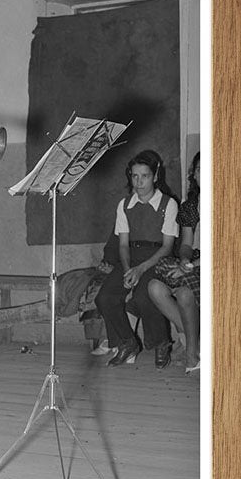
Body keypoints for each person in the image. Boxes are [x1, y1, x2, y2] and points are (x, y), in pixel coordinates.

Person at [93, 149, 178, 368]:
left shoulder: (168, 204)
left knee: (143, 296)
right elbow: (123, 243)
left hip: (156, 258)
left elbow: (168, 246)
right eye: (134, 176)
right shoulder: (124, 205)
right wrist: (129, 268)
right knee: (105, 297)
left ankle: (161, 344)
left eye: (145, 176)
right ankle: (127, 343)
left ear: (155, 176)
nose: (139, 181)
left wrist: (140, 270)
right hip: (129, 257)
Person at [148, 152, 202, 373]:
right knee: (154, 287)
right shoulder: (191, 206)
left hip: (222, 264)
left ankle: (191, 352)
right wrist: (186, 260)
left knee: (184, 293)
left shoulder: (230, 202)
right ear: (193, 175)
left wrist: (194, 266)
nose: (203, 174)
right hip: (196, 261)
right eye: (199, 170)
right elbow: (187, 243)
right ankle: (191, 339)